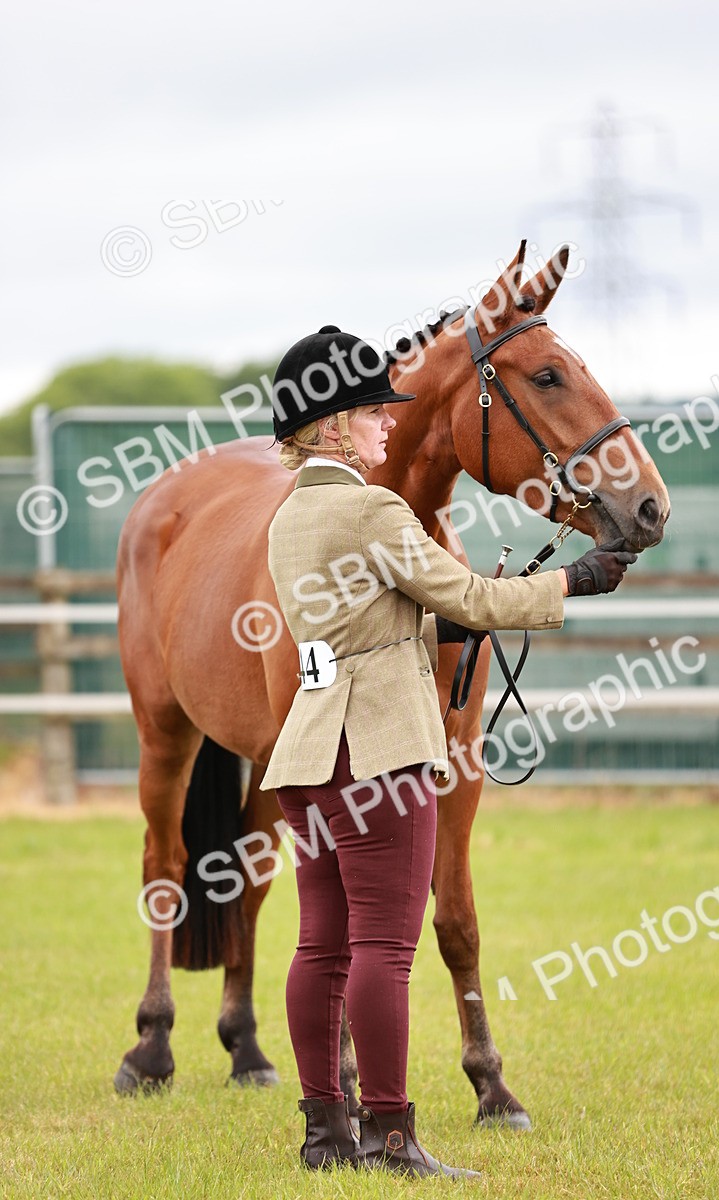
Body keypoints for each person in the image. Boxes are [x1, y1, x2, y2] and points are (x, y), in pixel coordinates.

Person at [260, 325, 636, 1177]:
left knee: (320, 945)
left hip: (309, 753)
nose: (387, 425)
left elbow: (374, 620)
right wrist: (570, 581)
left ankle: (326, 1134)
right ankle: (392, 1138)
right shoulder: (374, 507)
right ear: (329, 427)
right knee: (386, 950)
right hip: (380, 751)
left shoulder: (291, 519)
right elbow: (464, 590)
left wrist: (450, 617)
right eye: (369, 413)